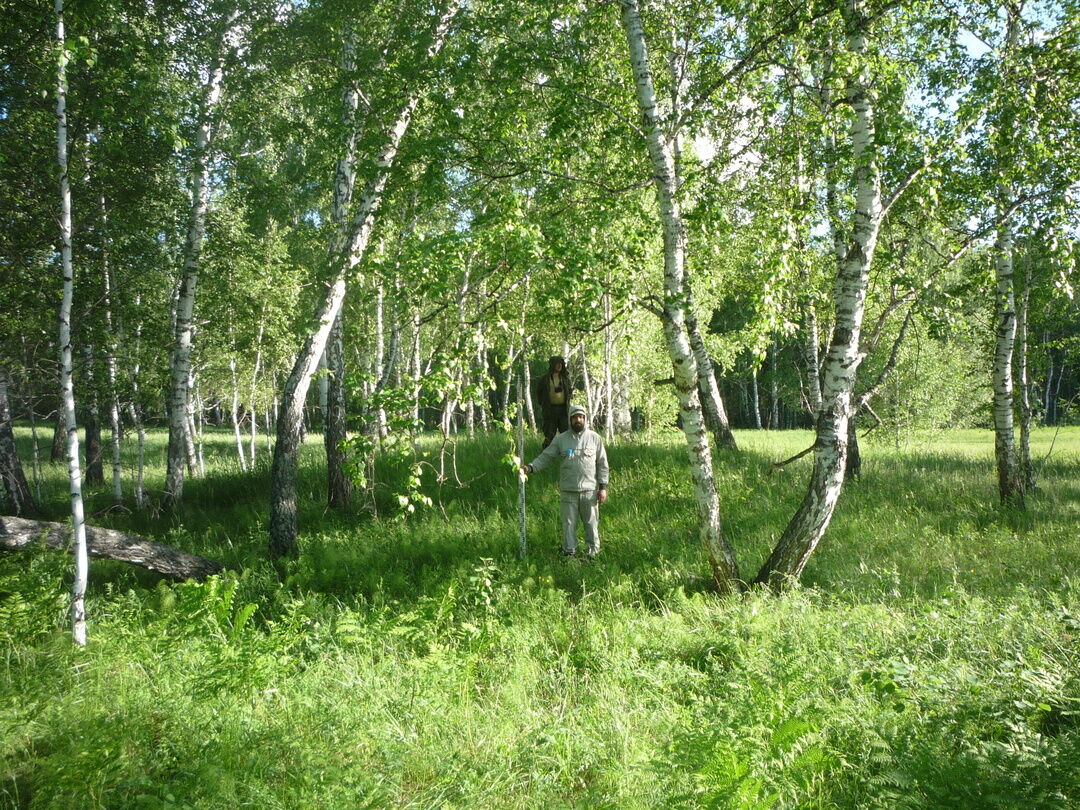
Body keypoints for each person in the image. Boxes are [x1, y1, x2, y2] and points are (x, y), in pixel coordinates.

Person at [522, 404, 609, 558]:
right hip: (568, 492)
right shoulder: (561, 439)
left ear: (585, 419)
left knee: (591, 524)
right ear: (570, 419)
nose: (578, 420)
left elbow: (602, 463)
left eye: (581, 417)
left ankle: (592, 555)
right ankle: (570, 554)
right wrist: (530, 467)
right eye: (575, 417)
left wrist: (603, 487)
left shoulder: (594, 438)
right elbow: (546, 456)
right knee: (569, 525)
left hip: (589, 492)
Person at [535, 355, 571, 449]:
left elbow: (569, 392)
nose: (559, 366)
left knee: (566, 435)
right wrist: (545, 405)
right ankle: (545, 458)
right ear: (553, 365)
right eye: (557, 364)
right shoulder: (545, 379)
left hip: (563, 410)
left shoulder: (565, 379)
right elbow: (539, 394)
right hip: (550, 410)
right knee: (549, 435)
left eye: (561, 364)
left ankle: (568, 456)